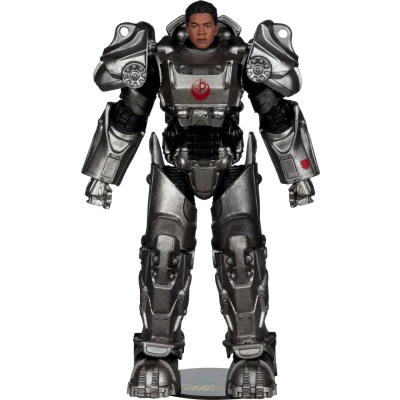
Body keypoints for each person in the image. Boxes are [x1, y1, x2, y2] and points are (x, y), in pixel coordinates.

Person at [82, 1, 319, 398]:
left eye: (208, 25)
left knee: (242, 255)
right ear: (188, 26)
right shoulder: (160, 58)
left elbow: (275, 114)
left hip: (230, 164)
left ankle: (251, 353)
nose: (202, 32)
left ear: (215, 25)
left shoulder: (241, 57)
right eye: (195, 25)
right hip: (177, 164)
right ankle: (157, 353)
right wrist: (102, 179)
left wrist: (298, 178)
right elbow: (129, 116)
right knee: (162, 256)